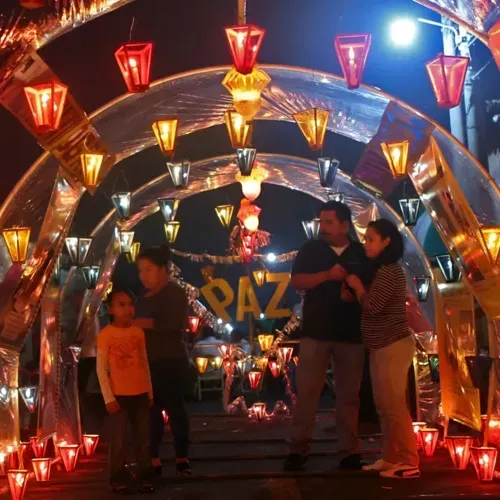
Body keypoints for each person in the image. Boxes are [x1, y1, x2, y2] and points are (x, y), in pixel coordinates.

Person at [284, 201, 374, 471]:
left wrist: (355, 291)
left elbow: (371, 285)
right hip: (315, 332)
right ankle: (299, 448)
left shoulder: (360, 253)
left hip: (350, 334)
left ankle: (348, 451)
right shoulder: (311, 250)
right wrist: (328, 275)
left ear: (345, 226)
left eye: (329, 222)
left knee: (349, 395)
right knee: (308, 391)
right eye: (321, 222)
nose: (322, 227)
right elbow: (298, 281)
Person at [346, 219, 420, 479]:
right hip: (380, 346)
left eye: (370, 239)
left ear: (386, 241)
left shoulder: (391, 271)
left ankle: (410, 461)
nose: (366, 244)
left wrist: (357, 288)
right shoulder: (383, 270)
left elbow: (373, 307)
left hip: (392, 344)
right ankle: (390, 457)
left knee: (394, 405)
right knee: (383, 406)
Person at [133, 245, 191, 476]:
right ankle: (153, 458)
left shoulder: (175, 292)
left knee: (176, 409)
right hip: (147, 362)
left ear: (163, 269)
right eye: (140, 271)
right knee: (151, 412)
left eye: (148, 269)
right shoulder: (141, 298)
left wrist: (144, 324)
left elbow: (174, 324)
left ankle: (181, 457)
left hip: (170, 361)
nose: (143, 276)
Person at [96, 289, 154, 493]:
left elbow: (144, 362)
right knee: (118, 440)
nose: (127, 309)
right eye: (121, 304)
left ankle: (145, 474)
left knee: (142, 438)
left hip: (139, 392)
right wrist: (108, 398)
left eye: (130, 304)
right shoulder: (105, 335)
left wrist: (149, 391)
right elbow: (101, 369)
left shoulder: (138, 332)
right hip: (118, 395)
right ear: (110, 309)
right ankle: (117, 476)